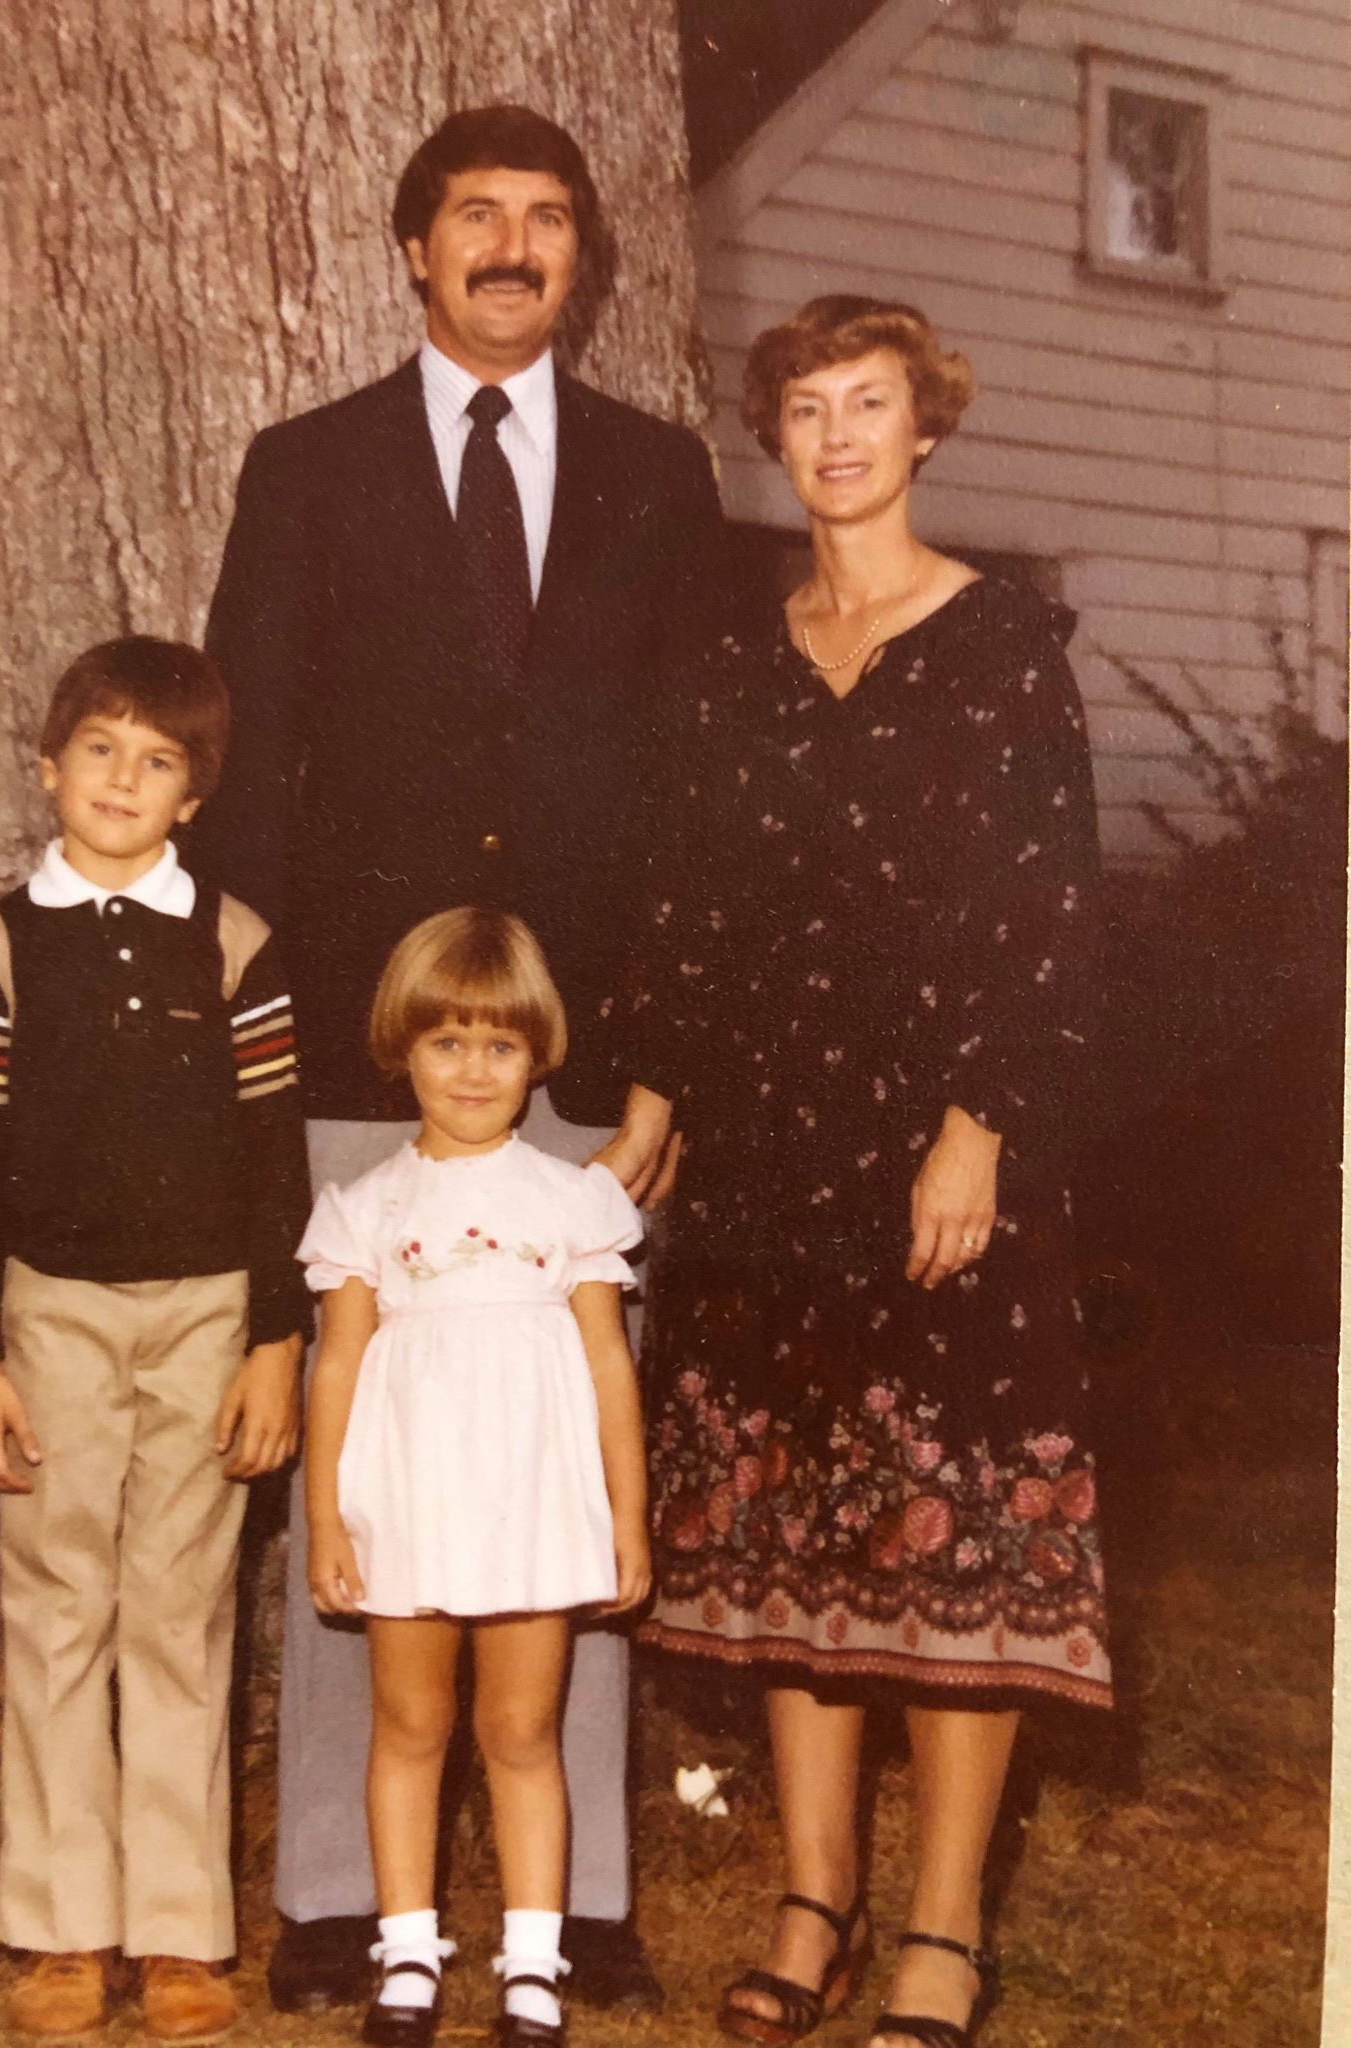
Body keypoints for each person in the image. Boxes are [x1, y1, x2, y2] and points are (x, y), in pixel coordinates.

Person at [190, 103, 723, 2013]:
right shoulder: (311, 467)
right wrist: (264, 1053)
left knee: (564, 1461)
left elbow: (692, 782)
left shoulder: (662, 479)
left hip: (570, 1054)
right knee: (376, 1451)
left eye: (549, 219)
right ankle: (347, 1890)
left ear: (588, 256)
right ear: (415, 249)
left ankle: (566, 1902)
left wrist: (655, 1046)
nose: (514, 244)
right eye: (476, 216)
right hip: (362, 1053)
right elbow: (245, 793)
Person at [626, 297, 1112, 2048]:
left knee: (953, 1529)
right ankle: (813, 1896)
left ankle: (943, 1923)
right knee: (791, 1537)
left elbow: (1047, 910)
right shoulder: (738, 662)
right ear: (780, 436)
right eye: (808, 407)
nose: (837, 435)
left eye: (871, 404)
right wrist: (651, 1114)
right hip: (766, 1146)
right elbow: (688, 915)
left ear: (927, 428)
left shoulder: (999, 644)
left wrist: (979, 1122)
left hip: (940, 1150)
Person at [0, 638, 312, 2044]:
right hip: (52, 1315)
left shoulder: (237, 943)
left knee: (177, 1614)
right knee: (59, 1607)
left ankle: (179, 1933)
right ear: (49, 763)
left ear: (192, 797)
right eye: (100, 750)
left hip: (208, 1312)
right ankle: (60, 1927)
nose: (124, 781)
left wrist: (276, 1341)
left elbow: (280, 1161)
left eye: (160, 762)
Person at [298, 907, 651, 2048]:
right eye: (446, 1041)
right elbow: (337, 1366)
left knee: (519, 1727)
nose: (472, 1068)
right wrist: (325, 1521)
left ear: (537, 1054)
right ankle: (406, 1956)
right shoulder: (366, 1206)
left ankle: (533, 1967)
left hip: (533, 1506)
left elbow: (608, 1364)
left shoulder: (573, 1197)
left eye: (499, 1044)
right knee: (409, 1721)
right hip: (406, 1499)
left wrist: (626, 1518)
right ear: (403, 1047)